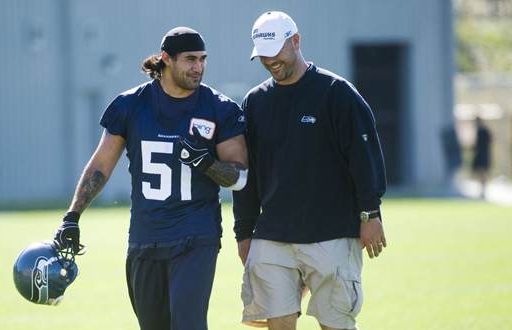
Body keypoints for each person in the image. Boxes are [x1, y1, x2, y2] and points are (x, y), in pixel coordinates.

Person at [53, 27, 248, 330]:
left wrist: (206, 162)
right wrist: (72, 217)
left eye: (203, 59)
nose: (199, 68)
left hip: (196, 236)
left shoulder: (219, 108)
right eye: (190, 60)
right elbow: (101, 165)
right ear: (166, 60)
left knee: (188, 324)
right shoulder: (130, 105)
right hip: (145, 237)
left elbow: (239, 177)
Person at [232, 12, 387, 330]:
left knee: (336, 324)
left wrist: (370, 214)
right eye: (263, 54)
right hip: (272, 238)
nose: (270, 60)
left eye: (276, 50)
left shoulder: (337, 93)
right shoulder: (254, 103)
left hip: (332, 234)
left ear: (296, 41)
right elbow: (247, 175)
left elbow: (364, 158)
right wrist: (244, 233)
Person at [472, 116, 491, 198]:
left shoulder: (483, 131)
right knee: (479, 172)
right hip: (480, 154)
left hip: (483, 154)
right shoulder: (480, 131)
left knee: (483, 172)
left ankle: (483, 190)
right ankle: (482, 189)